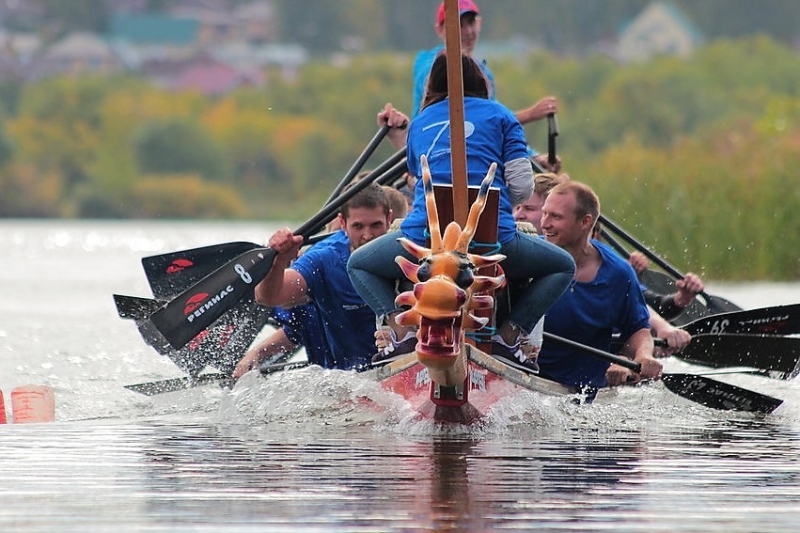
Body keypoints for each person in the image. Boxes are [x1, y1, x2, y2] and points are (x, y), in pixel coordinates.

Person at [347, 54, 575, 373]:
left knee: (358, 264)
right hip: (493, 243)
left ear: (434, 85)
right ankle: (510, 338)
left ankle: (399, 333)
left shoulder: (421, 122)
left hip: (422, 244)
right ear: (481, 83)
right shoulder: (503, 116)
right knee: (564, 265)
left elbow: (419, 180)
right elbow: (523, 188)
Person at [254, 182, 394, 371]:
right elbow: (268, 297)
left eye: (376, 225)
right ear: (343, 223)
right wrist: (279, 262)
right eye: (358, 226)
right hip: (352, 381)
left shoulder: (407, 249)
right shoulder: (325, 259)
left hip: (401, 370)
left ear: (390, 219)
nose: (367, 236)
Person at [536, 180, 663, 389]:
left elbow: (638, 330)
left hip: (582, 391)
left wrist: (643, 355)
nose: (544, 224)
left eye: (556, 216)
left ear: (585, 222)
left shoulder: (618, 273)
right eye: (544, 213)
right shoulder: (529, 258)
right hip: (526, 377)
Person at [412, 0, 560, 171]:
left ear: (479, 23)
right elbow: (466, 118)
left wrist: (533, 156)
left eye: (471, 23)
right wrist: (530, 114)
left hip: (470, 155)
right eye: (459, 25)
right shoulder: (434, 65)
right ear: (440, 30)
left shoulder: (483, 73)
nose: (467, 32)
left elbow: (494, 126)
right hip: (435, 154)